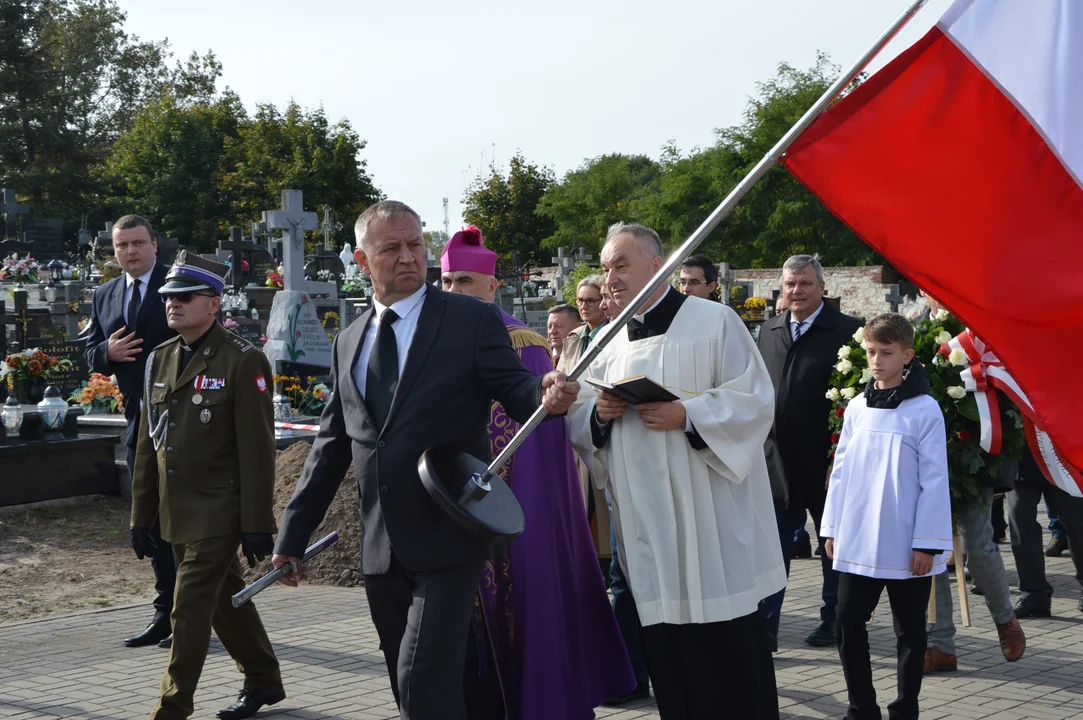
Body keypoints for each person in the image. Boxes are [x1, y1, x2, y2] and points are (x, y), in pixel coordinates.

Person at [271, 201, 580, 720]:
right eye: (391, 247)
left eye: (415, 244)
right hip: (381, 546)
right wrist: (292, 536)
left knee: (422, 679)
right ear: (363, 261)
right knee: (408, 679)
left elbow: (516, 388)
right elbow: (331, 446)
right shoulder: (350, 341)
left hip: (449, 536)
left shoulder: (470, 319)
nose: (408, 256)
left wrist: (544, 392)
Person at [570, 223, 786, 719]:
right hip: (647, 531)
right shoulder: (603, 340)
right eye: (605, 268)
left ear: (657, 265)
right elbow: (580, 421)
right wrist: (597, 416)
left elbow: (754, 400)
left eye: (621, 265)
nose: (610, 279)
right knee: (668, 654)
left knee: (728, 651)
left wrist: (688, 415)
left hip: (708, 518)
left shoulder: (715, 321)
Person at [439, 226, 635, 720]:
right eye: (445, 283)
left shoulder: (520, 343)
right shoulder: (436, 337)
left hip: (509, 508)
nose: (453, 292)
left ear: (490, 286)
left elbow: (533, 441)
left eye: (464, 281)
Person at [130, 252, 283, 720]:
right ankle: (263, 678)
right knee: (221, 601)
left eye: (185, 297)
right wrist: (141, 514)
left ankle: (171, 708)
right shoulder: (159, 359)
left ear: (214, 304)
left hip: (220, 508)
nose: (173, 304)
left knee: (189, 605)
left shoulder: (243, 360)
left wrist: (257, 522)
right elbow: (147, 444)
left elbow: (257, 450)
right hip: (178, 509)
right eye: (168, 298)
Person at [822, 313, 953, 720]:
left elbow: (934, 479)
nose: (876, 360)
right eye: (871, 352)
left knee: (910, 631)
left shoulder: (925, 409)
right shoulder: (858, 406)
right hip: (858, 538)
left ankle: (905, 708)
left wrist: (927, 544)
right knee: (846, 620)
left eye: (886, 352)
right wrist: (831, 527)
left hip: (905, 541)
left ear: (908, 355)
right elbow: (841, 470)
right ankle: (862, 707)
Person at [757, 254, 863, 650]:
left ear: (822, 288)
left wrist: (840, 457)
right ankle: (766, 626)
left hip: (826, 463)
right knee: (772, 549)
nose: (797, 291)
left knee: (833, 546)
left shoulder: (850, 331)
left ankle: (834, 621)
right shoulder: (768, 330)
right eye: (790, 285)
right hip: (775, 462)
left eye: (805, 284)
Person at [84, 214, 178, 649]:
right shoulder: (104, 294)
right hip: (136, 420)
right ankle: (166, 612)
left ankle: (191, 611)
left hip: (180, 418)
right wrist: (109, 351)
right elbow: (89, 351)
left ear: (154, 245)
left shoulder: (176, 284)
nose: (130, 252)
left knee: (184, 517)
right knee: (149, 519)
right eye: (122, 246)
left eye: (138, 243)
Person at [1008, 445, 1083, 617]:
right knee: (1021, 526)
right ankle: (1033, 593)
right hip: (1021, 456)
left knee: (1077, 524)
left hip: (1062, 456)